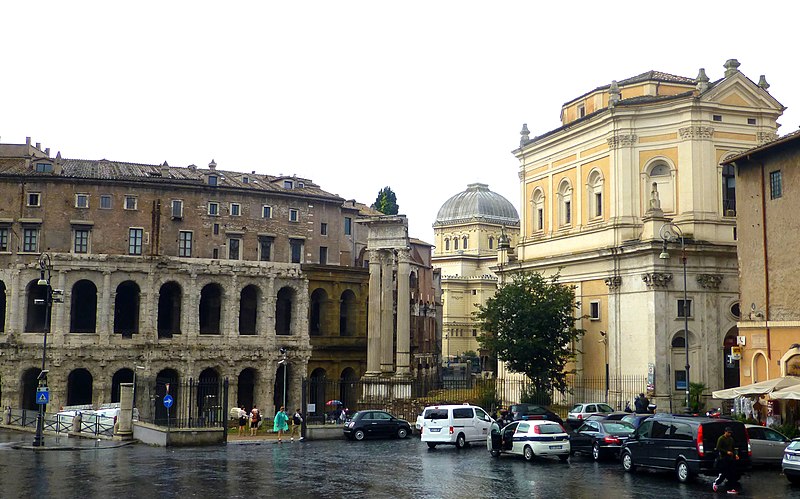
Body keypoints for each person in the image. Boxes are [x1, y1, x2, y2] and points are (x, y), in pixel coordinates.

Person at [713, 426, 741, 494]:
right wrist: (726, 452)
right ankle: (716, 483)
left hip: (730, 458)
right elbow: (718, 448)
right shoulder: (721, 439)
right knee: (724, 473)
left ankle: (731, 488)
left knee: (732, 473)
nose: (729, 434)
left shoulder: (731, 439)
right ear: (725, 432)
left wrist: (736, 454)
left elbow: (734, 448)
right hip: (723, 458)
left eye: (730, 433)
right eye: (728, 432)